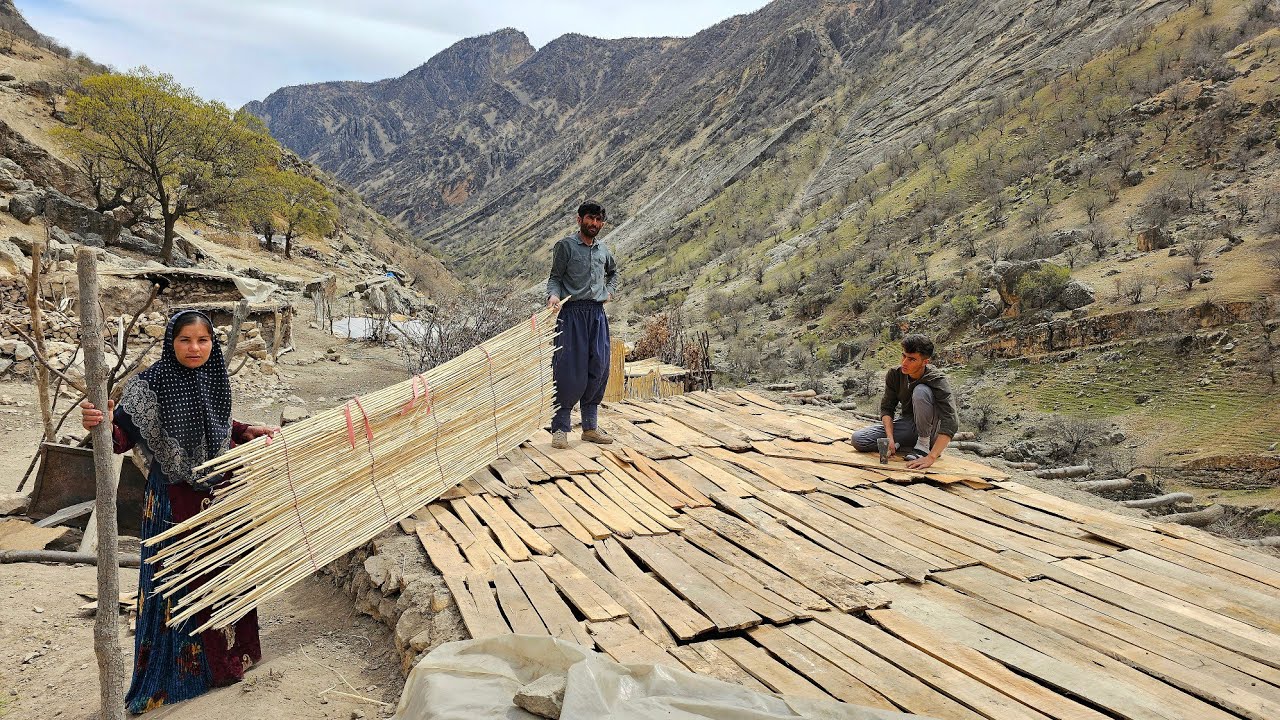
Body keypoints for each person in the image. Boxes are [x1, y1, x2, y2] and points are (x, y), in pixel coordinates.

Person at [80, 310, 277, 714]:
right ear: (171, 342)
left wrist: (243, 432)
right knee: (179, 583)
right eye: (186, 340)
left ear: (212, 344)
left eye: (203, 340)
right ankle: (184, 675)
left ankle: (229, 661)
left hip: (222, 493)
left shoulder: (215, 376)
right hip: (174, 500)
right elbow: (119, 437)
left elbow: (214, 423)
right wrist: (97, 422)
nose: (195, 348)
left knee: (226, 573)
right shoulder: (149, 385)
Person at [546, 201, 618, 449]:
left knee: (598, 366)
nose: (594, 224)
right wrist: (553, 296)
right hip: (572, 314)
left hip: (597, 314)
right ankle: (560, 429)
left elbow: (614, 273)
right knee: (568, 370)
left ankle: (589, 427)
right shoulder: (565, 247)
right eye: (590, 219)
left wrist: (609, 292)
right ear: (579, 219)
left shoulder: (603, 250)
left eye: (598, 220)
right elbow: (555, 278)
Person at [850, 334, 958, 470]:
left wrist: (931, 457)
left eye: (912, 359)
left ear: (925, 362)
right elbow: (887, 407)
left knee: (921, 391)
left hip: (932, 430)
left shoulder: (937, 380)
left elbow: (951, 421)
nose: (904, 363)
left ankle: (924, 446)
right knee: (859, 439)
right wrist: (890, 437)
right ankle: (908, 446)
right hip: (909, 425)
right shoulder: (895, 374)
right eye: (904, 356)